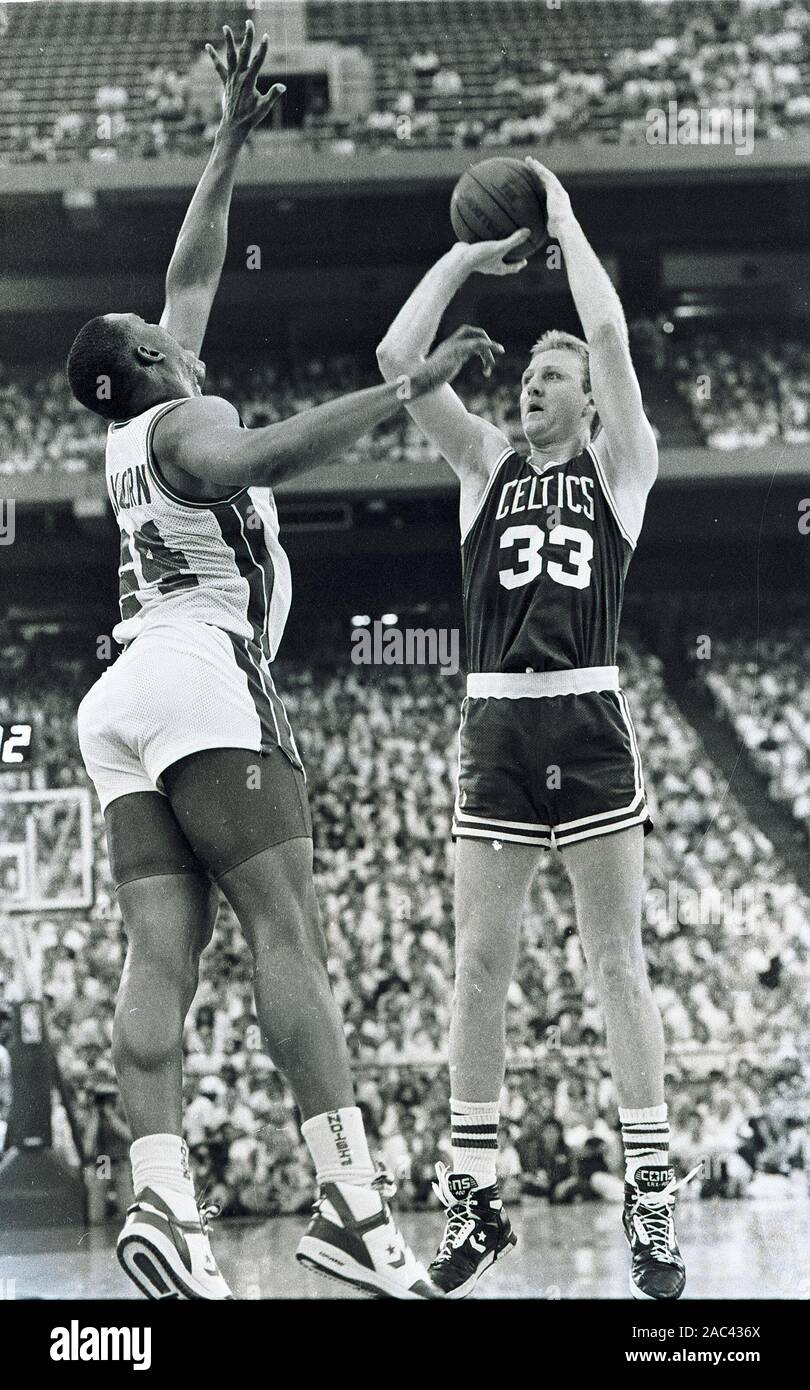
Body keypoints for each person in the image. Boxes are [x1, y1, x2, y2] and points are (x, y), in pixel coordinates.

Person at [67, 20, 498, 1302]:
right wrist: (409, 386)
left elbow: (189, 269)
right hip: (207, 671)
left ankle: (161, 1195)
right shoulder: (191, 416)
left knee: (163, 954)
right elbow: (262, 457)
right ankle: (354, 1207)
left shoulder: (124, 429)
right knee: (288, 932)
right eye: (151, 323)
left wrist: (229, 138)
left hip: (118, 700)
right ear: (143, 361)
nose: (169, 315)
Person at [377, 157, 698, 1301]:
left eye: (554, 375)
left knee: (618, 963)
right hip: (496, 729)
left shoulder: (623, 468)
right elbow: (396, 364)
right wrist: (467, 257)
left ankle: (652, 1206)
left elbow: (609, 335)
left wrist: (563, 219)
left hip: (592, 717)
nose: (534, 386)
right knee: (478, 969)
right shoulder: (483, 465)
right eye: (530, 374)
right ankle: (473, 1201)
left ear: (590, 402)